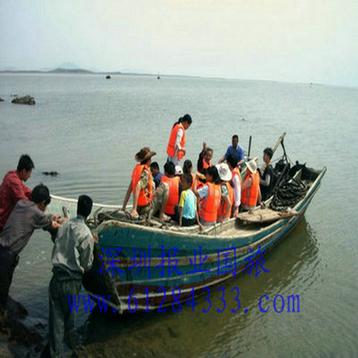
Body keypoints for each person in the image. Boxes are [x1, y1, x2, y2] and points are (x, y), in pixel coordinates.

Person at [0, 184, 61, 316]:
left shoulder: (21, 203)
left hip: (1, 247)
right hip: (7, 255)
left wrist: (50, 217)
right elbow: (52, 224)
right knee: (3, 291)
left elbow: (42, 218)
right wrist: (60, 221)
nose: (45, 209)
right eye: (46, 205)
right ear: (43, 202)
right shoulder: (36, 214)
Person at [48, 195, 96, 357]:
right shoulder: (86, 234)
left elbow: (56, 241)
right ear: (89, 212)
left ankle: (55, 352)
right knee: (69, 322)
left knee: (56, 322)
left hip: (56, 278)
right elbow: (87, 264)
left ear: (77, 208)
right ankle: (70, 349)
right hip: (71, 282)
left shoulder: (64, 225)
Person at [0, 154, 34, 232]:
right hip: (2, 222)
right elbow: (24, 202)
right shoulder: (14, 181)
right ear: (24, 171)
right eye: (29, 173)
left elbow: (26, 190)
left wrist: (39, 194)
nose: (30, 176)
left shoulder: (11, 175)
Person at [122, 147, 156, 219]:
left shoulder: (137, 170)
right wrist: (134, 209)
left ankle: (134, 211)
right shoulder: (145, 173)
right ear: (149, 160)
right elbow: (138, 186)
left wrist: (124, 207)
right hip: (145, 207)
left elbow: (129, 190)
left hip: (138, 206)